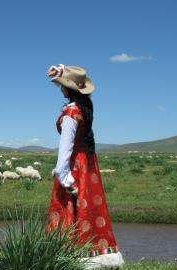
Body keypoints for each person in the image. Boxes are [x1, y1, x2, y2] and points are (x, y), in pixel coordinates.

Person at [47, 64, 124, 269]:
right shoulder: (84, 109)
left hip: (74, 164)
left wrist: (63, 174)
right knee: (88, 204)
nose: (60, 89)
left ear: (66, 89)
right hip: (88, 163)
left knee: (67, 205)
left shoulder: (71, 111)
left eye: (61, 86)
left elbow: (66, 145)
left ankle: (65, 253)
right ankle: (98, 254)